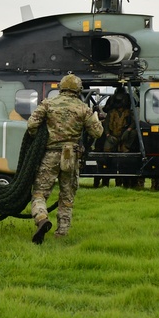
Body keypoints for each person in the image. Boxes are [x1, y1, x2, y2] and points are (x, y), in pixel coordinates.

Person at [27, 73, 103, 243]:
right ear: (78, 89)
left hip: (50, 154)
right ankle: (62, 233)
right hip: (72, 156)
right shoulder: (83, 108)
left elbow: (32, 124)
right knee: (67, 196)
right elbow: (97, 132)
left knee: (39, 193)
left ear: (61, 87)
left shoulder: (48, 104)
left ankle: (41, 218)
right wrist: (97, 118)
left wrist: (38, 137)